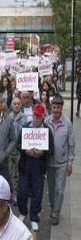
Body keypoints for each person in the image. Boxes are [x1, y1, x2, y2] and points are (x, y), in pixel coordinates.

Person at [17, 103, 54, 232]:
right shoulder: (26, 127)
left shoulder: (47, 130)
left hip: (38, 166)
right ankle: (23, 212)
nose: (36, 118)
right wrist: (25, 150)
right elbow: (18, 144)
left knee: (37, 193)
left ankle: (34, 218)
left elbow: (51, 149)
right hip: (26, 164)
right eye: (34, 115)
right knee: (21, 192)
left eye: (38, 116)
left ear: (43, 116)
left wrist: (43, 152)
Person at [46, 94, 75, 225]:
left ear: (62, 108)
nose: (56, 110)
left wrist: (70, 162)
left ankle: (56, 213)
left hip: (62, 163)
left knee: (60, 190)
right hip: (49, 162)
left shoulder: (68, 124)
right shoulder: (46, 121)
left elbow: (71, 144)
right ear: (51, 107)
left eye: (58, 107)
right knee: (51, 188)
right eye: (54, 107)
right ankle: (53, 206)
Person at [8, 97, 27, 204]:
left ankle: (17, 195)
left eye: (18, 104)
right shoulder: (8, 117)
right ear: (11, 105)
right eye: (14, 104)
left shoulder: (24, 118)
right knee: (10, 174)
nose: (16, 105)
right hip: (10, 151)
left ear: (20, 105)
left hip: (19, 151)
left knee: (18, 175)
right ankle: (11, 194)